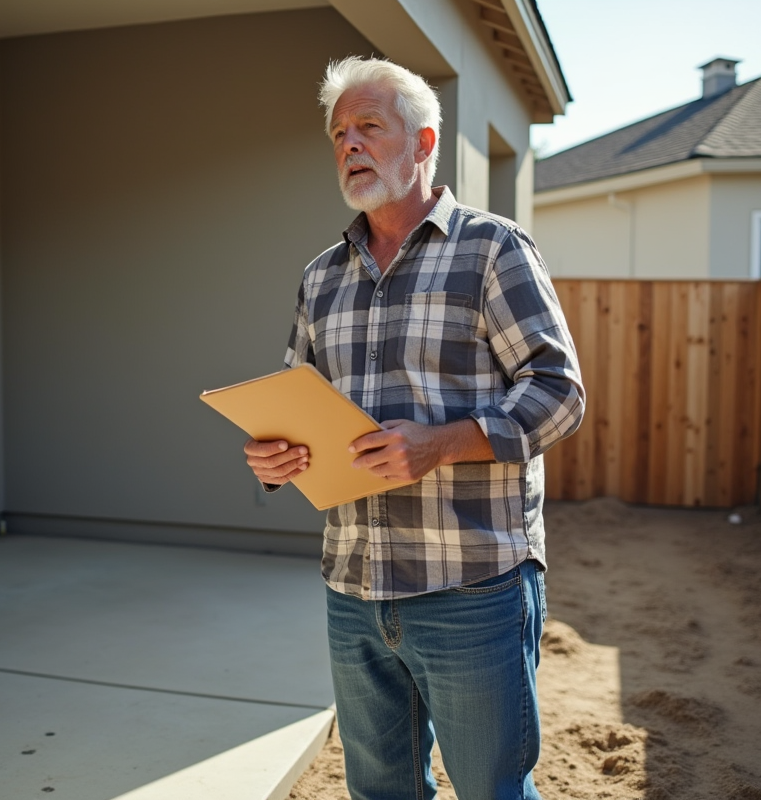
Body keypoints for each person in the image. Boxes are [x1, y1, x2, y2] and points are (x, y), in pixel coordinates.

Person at [243, 56, 585, 799]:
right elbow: (298, 400)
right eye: (339, 133)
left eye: (370, 127)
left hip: (473, 587)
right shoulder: (321, 277)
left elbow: (559, 393)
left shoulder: (494, 250)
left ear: (424, 143)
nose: (350, 145)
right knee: (379, 790)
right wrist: (276, 456)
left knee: (491, 788)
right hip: (352, 586)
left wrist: (442, 444)